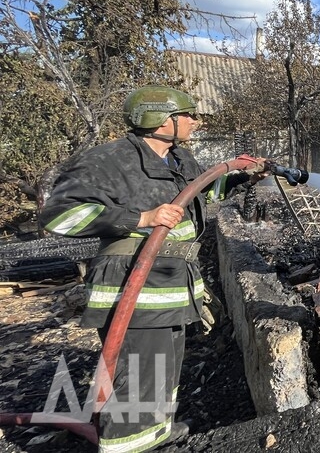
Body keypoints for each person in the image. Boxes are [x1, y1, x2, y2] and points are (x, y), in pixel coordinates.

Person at [39, 86, 266, 452]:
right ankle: (128, 443)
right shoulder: (109, 161)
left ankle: (156, 432)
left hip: (170, 283)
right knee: (140, 376)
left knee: (162, 368)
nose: (196, 120)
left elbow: (203, 191)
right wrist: (140, 217)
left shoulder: (179, 159)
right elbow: (58, 215)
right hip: (134, 285)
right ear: (160, 119)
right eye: (188, 114)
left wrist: (244, 176)